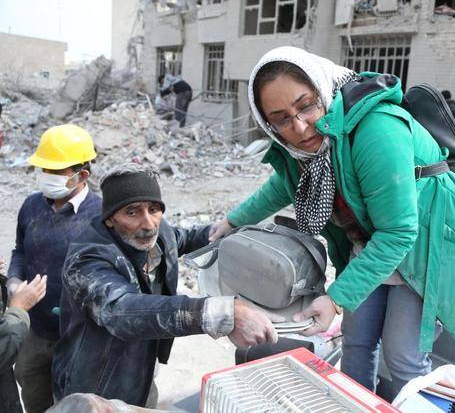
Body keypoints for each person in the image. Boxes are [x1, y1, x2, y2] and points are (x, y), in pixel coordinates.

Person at [209, 46, 455, 400]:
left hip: (424, 246)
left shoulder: (376, 129)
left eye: (306, 106)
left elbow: (399, 232)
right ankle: (354, 405)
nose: (299, 127)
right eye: (280, 119)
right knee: (356, 343)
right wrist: (232, 222)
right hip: (372, 245)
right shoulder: (307, 150)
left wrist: (335, 298)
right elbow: (282, 186)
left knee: (404, 358)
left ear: (323, 90)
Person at [52, 163, 279, 407]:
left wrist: (229, 231)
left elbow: (186, 239)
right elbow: (121, 310)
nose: (148, 224)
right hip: (94, 384)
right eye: (132, 212)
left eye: (153, 209)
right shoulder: (86, 259)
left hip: (141, 370)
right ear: (110, 220)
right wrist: (220, 313)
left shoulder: (160, 234)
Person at [6, 124, 101, 413]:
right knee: (34, 394)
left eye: (56, 171)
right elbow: (20, 251)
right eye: (44, 169)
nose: (47, 176)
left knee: (74, 404)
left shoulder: (101, 215)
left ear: (82, 175)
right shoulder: (31, 206)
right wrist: (13, 280)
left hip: (79, 337)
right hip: (34, 331)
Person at [1, 255, 47, 413]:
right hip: (30, 332)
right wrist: (18, 308)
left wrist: (11, 278)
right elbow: (3, 349)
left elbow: (19, 252)